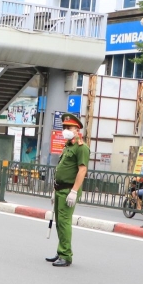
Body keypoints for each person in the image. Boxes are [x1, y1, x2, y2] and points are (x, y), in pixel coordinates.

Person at [47, 113, 89, 268]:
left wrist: (74, 191)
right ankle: (60, 251)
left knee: (64, 222)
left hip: (68, 190)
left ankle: (66, 255)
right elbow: (61, 168)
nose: (65, 130)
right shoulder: (68, 146)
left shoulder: (81, 148)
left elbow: (82, 170)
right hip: (59, 189)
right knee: (59, 222)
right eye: (64, 127)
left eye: (69, 127)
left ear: (77, 129)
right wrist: (54, 190)